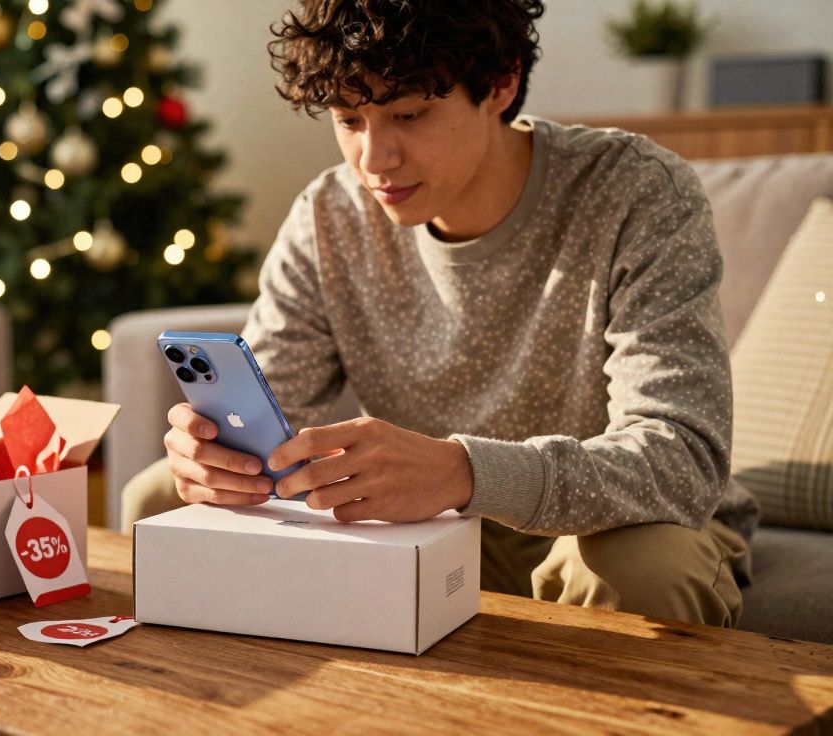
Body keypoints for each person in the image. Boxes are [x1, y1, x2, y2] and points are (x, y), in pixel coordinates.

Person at [121, 0, 758, 627]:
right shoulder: (329, 218)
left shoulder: (636, 193)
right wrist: (219, 460)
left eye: (408, 114)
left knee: (639, 564)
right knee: (155, 495)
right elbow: (273, 422)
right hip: (427, 528)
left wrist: (464, 472)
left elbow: (682, 458)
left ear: (502, 83)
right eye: (349, 120)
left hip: (607, 521)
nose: (374, 160)